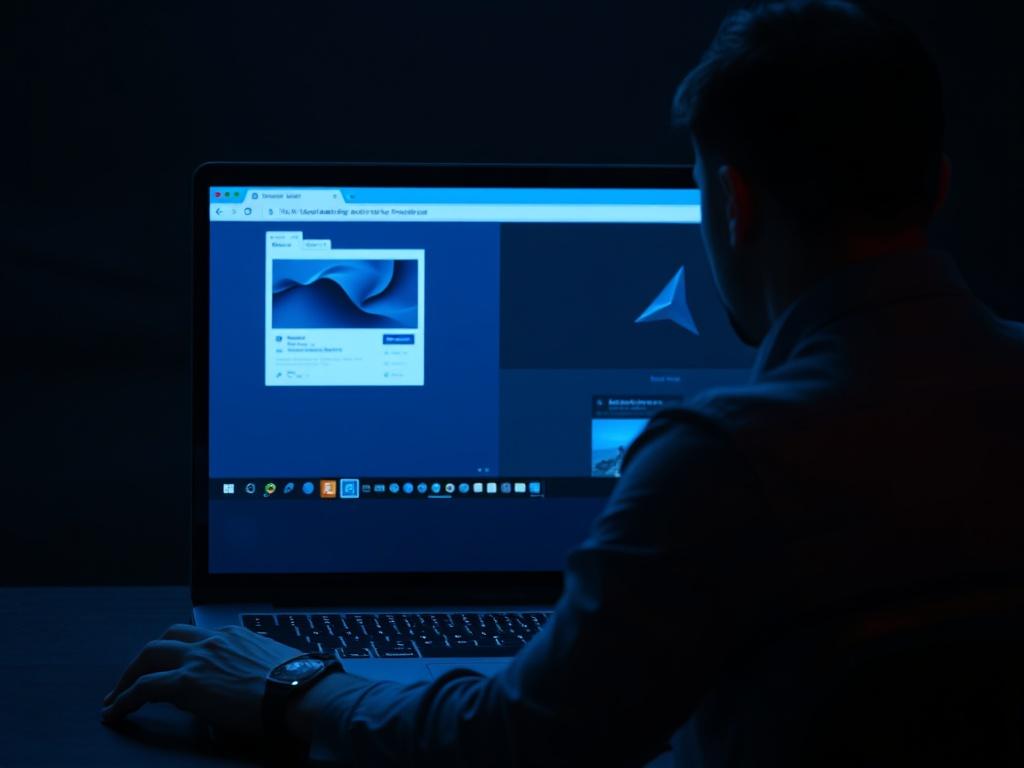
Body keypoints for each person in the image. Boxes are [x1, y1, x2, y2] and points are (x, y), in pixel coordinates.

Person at [101, 1, 1024, 765]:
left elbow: (518, 741)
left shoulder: (727, 459)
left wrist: (294, 683)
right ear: (938, 186)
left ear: (733, 203)